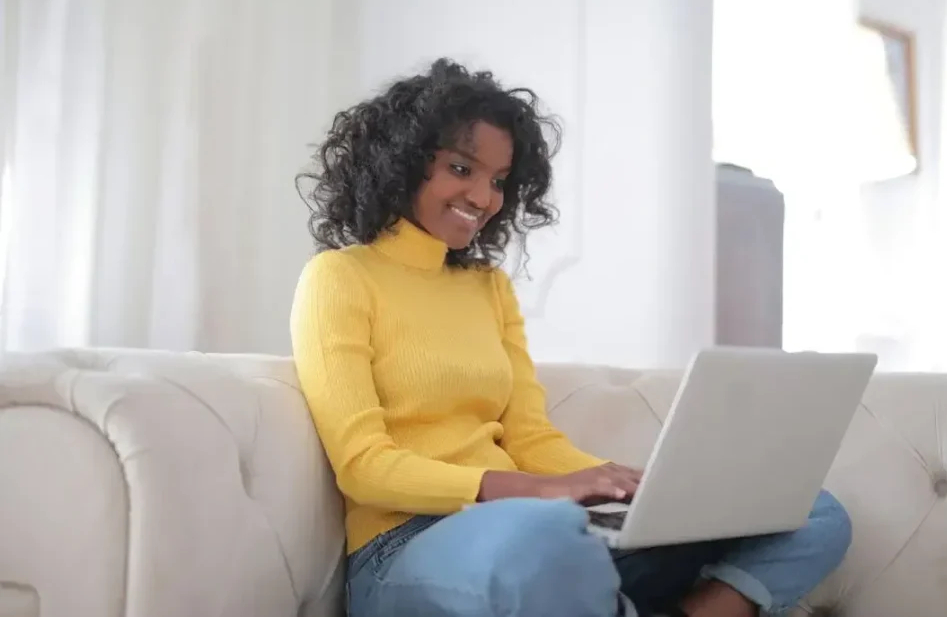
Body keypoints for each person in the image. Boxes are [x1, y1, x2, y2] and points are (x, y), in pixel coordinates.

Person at [290, 58, 852, 617]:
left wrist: (631, 488)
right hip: (405, 547)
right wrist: (530, 492)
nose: (485, 198)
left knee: (813, 511)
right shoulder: (341, 277)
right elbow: (363, 466)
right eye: (462, 170)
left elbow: (530, 437)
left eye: (500, 181)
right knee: (549, 531)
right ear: (403, 163)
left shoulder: (488, 289)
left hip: (531, 530)